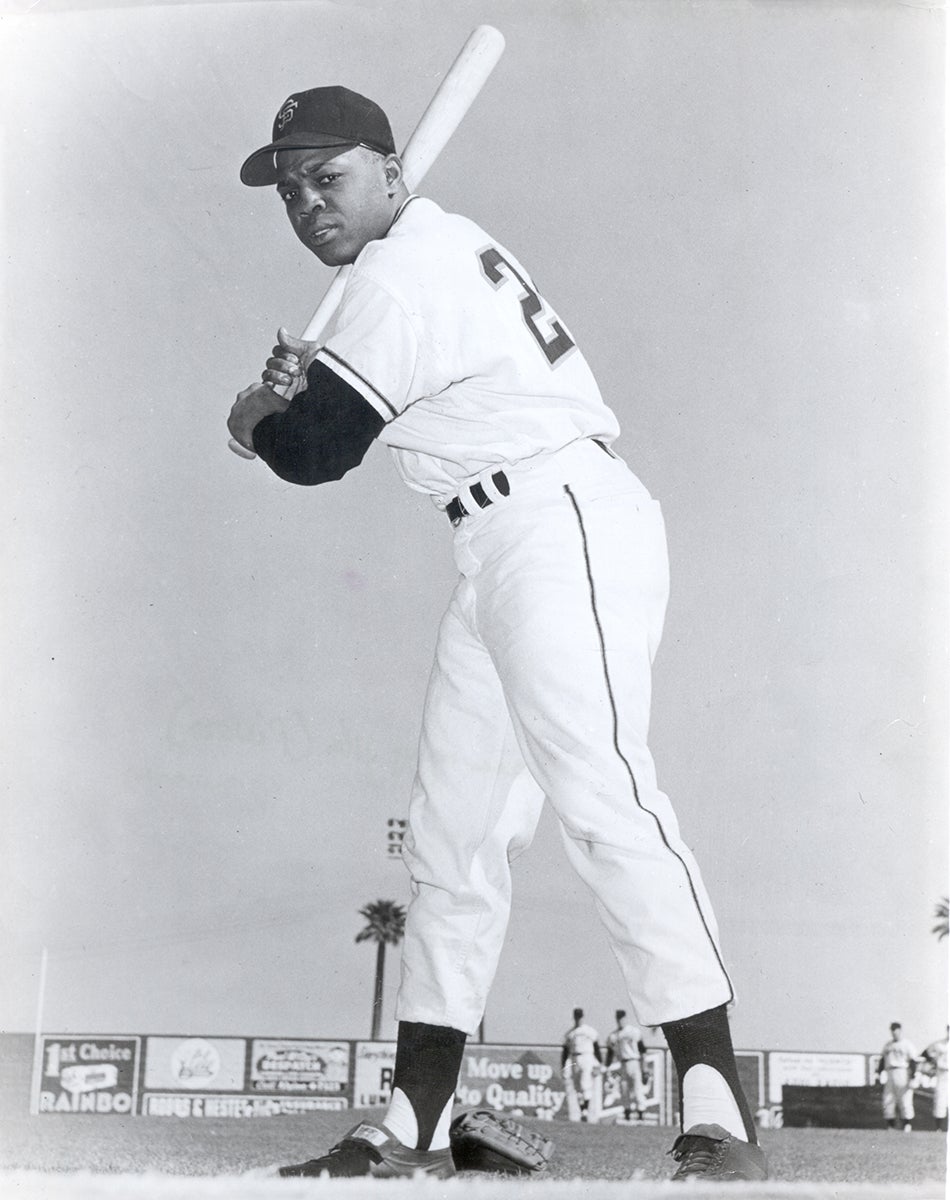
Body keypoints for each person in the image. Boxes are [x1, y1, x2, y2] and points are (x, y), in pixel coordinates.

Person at [228, 84, 768, 1183]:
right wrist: (297, 406)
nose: (306, 204)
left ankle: (719, 1106)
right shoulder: (432, 249)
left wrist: (254, 418)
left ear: (390, 171)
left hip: (556, 521)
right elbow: (333, 422)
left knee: (603, 798)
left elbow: (314, 454)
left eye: (327, 178)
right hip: (494, 539)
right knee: (453, 839)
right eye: (289, 190)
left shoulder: (400, 271)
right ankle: (418, 1117)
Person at [605, 1008, 650, 1122]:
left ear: (625, 1019)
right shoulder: (614, 1035)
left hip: (634, 1061)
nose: (620, 1021)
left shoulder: (633, 1031)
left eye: (622, 1018)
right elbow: (610, 1053)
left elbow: (642, 1050)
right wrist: (606, 1067)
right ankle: (627, 1114)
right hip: (623, 1063)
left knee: (638, 1089)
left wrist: (644, 1068)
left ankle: (641, 1114)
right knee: (624, 1090)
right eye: (618, 1019)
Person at [561, 1008, 603, 1122]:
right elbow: (565, 1050)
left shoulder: (589, 1031)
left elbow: (596, 1047)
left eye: (579, 1016)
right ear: (574, 1017)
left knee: (585, 1084)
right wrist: (564, 1065)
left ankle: (585, 1110)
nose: (578, 1018)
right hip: (574, 1057)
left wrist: (600, 1063)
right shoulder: (570, 1033)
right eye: (576, 1016)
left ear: (582, 1017)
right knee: (577, 1086)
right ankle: (583, 1111)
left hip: (587, 1056)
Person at [876, 1022, 919, 1132]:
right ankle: (891, 1126)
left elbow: (913, 1061)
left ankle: (907, 1126)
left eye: (895, 1029)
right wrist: (878, 1073)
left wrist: (913, 1076)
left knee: (905, 1100)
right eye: (892, 1030)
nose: (894, 1032)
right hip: (890, 1072)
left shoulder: (907, 1044)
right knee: (888, 1099)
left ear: (900, 1030)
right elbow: (882, 1060)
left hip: (903, 1072)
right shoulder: (888, 1045)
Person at [919, 1026, 948, 1133]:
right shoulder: (939, 1044)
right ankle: (938, 1128)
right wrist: (933, 1061)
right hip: (942, 1074)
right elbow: (924, 1053)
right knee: (940, 1100)